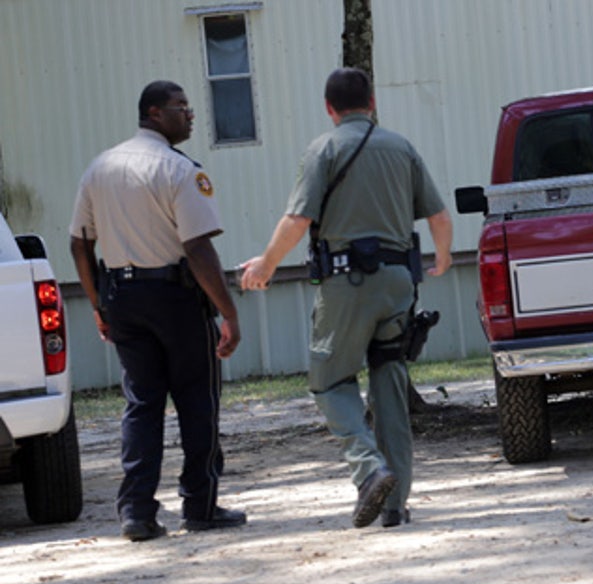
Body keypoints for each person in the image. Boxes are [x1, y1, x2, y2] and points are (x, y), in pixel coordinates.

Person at [240, 67, 453, 529]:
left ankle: (368, 468)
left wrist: (266, 266)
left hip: (346, 285)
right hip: (399, 282)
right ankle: (396, 505)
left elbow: (298, 220)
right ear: (372, 102)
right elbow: (438, 214)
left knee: (331, 382)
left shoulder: (325, 149)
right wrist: (441, 260)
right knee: (390, 383)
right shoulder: (402, 148)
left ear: (329, 108)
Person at [69, 80, 246, 542]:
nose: (189, 115)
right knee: (196, 399)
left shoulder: (99, 167)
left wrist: (97, 303)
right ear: (153, 112)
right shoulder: (179, 170)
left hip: (122, 297)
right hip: (176, 298)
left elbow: (79, 242)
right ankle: (200, 506)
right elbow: (198, 249)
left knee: (141, 404)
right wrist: (229, 312)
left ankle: (137, 512)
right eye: (180, 108)